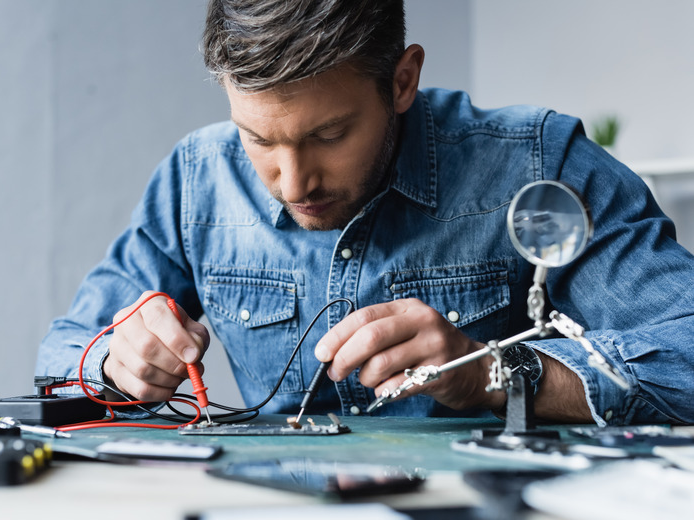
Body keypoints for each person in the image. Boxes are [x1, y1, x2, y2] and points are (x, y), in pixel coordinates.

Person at [37, 0, 694, 426]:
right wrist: (113, 361)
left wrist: (490, 374)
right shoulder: (196, 179)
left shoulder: (541, 165)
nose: (292, 183)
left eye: (328, 136)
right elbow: (62, 356)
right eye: (260, 140)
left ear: (402, 81)